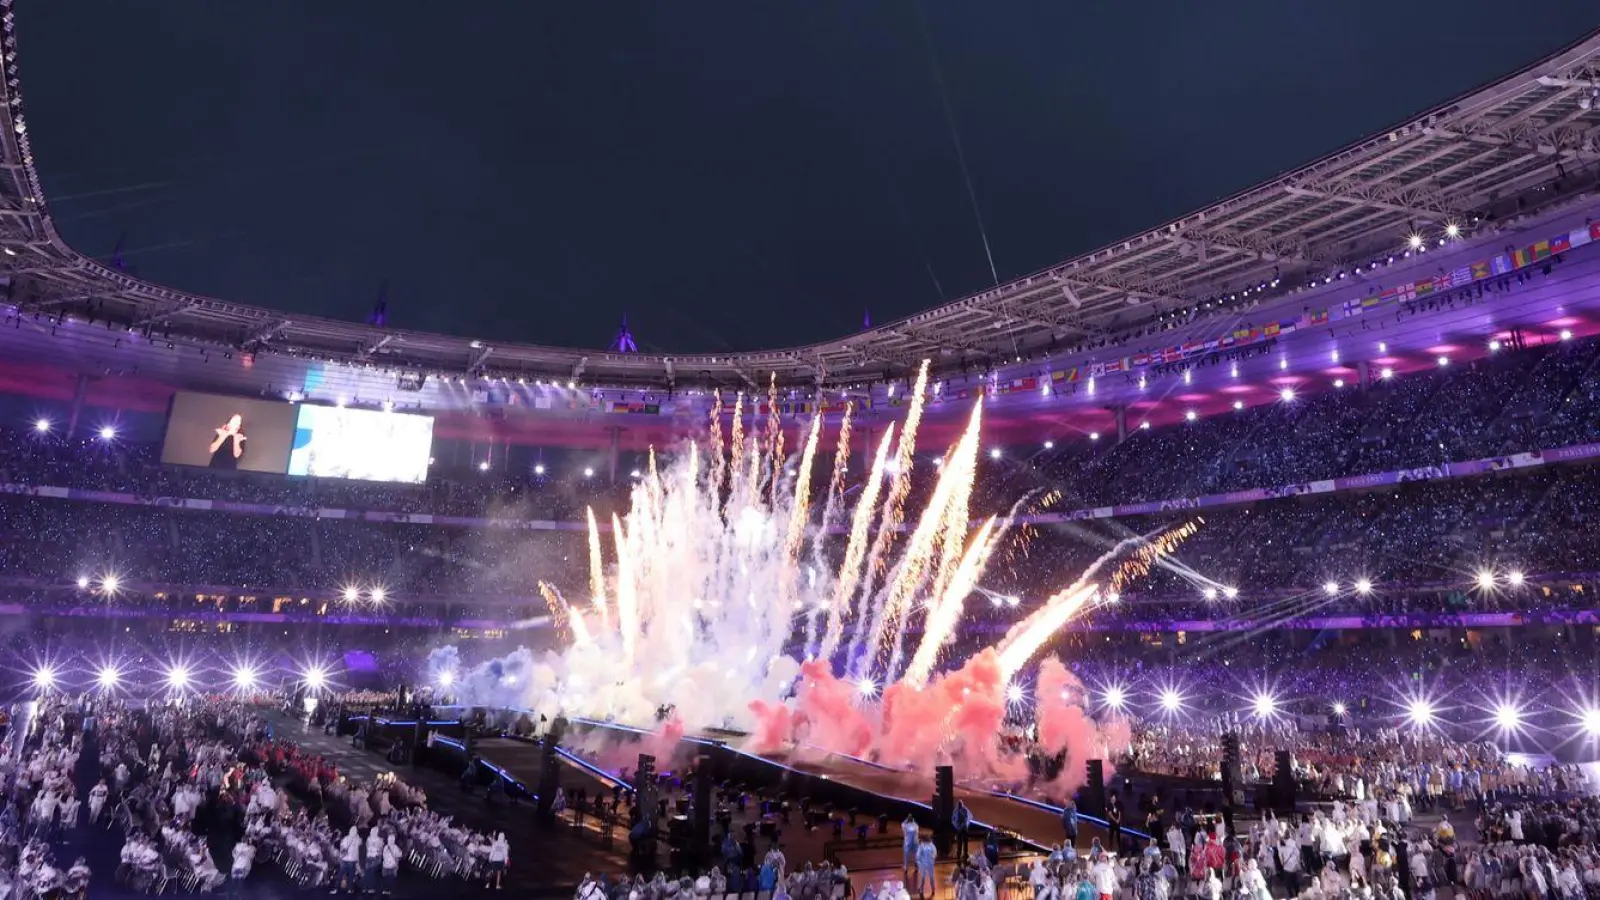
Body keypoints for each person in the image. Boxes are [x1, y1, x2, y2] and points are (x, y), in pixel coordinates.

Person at [953, 800, 973, 865]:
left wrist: (960, 826)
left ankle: (965, 854)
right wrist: (956, 825)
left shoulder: (964, 810)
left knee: (964, 842)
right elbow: (953, 819)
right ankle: (959, 854)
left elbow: (966, 818)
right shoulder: (956, 810)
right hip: (959, 829)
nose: (959, 806)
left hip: (963, 829)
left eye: (960, 805)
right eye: (958, 805)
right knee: (960, 842)